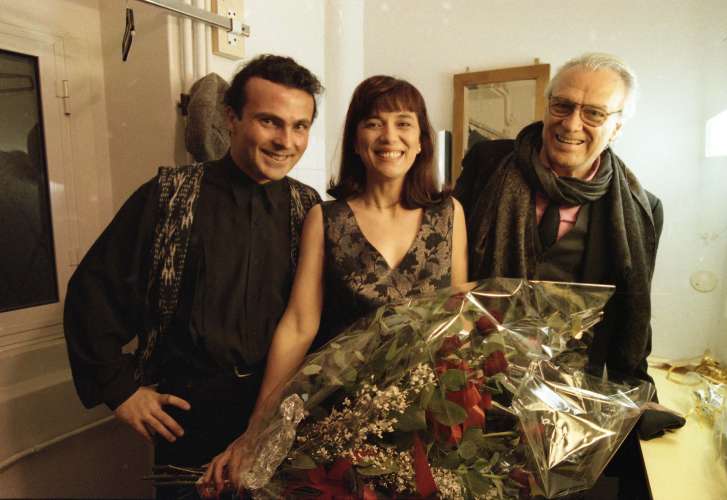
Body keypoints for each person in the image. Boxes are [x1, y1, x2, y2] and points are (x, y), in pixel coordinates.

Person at [200, 75, 468, 494]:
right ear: (356, 141)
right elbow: (298, 326)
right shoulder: (325, 219)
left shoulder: (449, 214)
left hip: (427, 417)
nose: (389, 136)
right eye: (373, 123)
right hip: (341, 420)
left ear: (421, 142)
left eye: (403, 123)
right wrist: (258, 429)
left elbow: (459, 319)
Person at [63, 54, 323, 484]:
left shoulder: (310, 208)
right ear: (231, 118)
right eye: (269, 122)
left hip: (280, 414)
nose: (286, 141)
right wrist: (119, 389)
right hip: (188, 417)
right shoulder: (168, 196)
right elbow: (92, 292)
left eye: (300, 126)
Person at [454, 53, 663, 498]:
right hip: (476, 387)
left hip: (571, 405)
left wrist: (637, 391)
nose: (571, 124)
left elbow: (635, 313)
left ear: (617, 127)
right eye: (562, 105)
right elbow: (448, 259)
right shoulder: (487, 164)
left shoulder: (644, 209)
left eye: (594, 114)